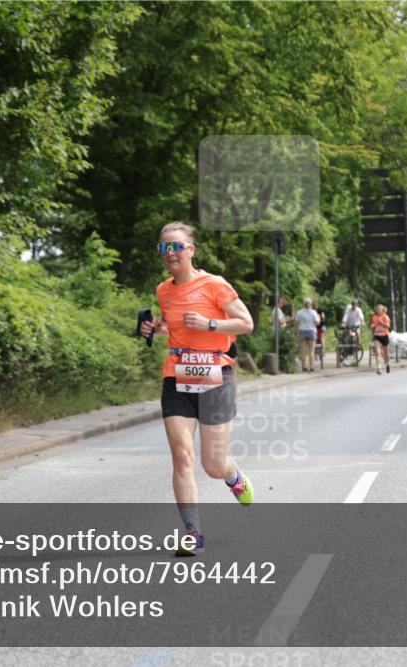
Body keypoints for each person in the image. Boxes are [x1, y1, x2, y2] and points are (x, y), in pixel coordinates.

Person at [140, 222, 255, 556]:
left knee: (213, 464)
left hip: (215, 377)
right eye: (164, 248)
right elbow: (175, 329)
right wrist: (155, 328)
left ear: (191, 250)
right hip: (176, 376)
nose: (170, 253)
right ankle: (193, 532)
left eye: (176, 246)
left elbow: (246, 323)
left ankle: (233, 477)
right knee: (181, 456)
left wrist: (211, 324)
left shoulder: (214, 285)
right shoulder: (164, 290)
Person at [294, 297, 321, 372]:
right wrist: (319, 318)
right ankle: (311, 367)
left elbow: (296, 323)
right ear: (311, 304)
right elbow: (316, 323)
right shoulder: (313, 312)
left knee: (303, 350)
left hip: (302, 331)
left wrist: (295, 332)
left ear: (304, 304)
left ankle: (304, 367)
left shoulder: (299, 312)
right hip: (311, 331)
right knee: (311, 350)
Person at [370, 304, 391, 374]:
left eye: (379, 309)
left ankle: (387, 363)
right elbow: (373, 326)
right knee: (377, 353)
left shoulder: (385, 316)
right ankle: (378, 367)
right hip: (377, 336)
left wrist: (382, 323)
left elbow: (388, 326)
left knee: (386, 353)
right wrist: (372, 327)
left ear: (382, 310)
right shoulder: (374, 317)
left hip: (385, 336)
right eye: (377, 309)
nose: (378, 310)